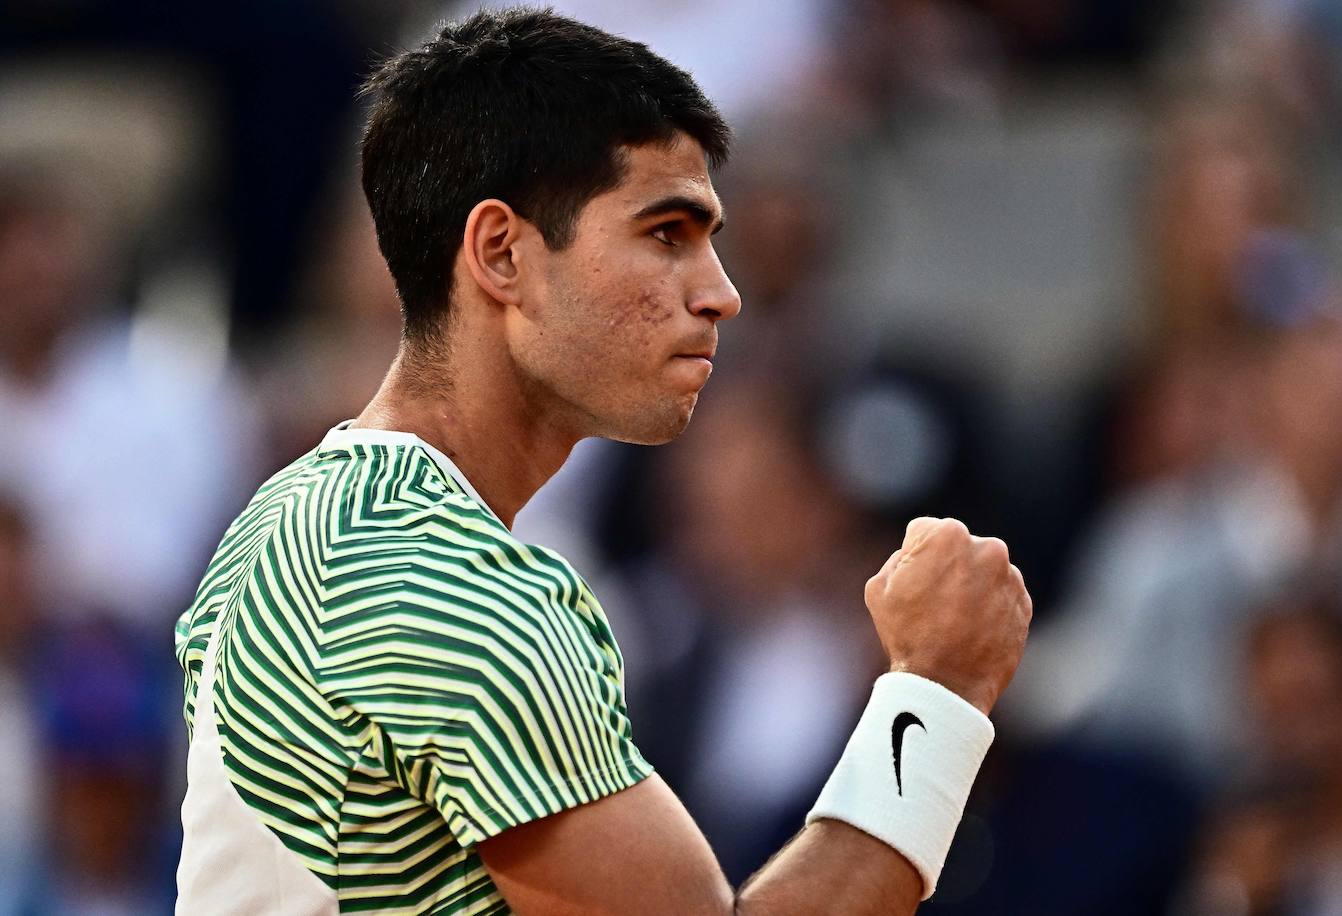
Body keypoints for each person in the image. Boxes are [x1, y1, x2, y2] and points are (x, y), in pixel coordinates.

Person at [173, 9, 1031, 914]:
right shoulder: (451, 588)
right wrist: (937, 692)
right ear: (503, 254)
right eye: (665, 234)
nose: (721, 294)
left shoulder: (290, 516)